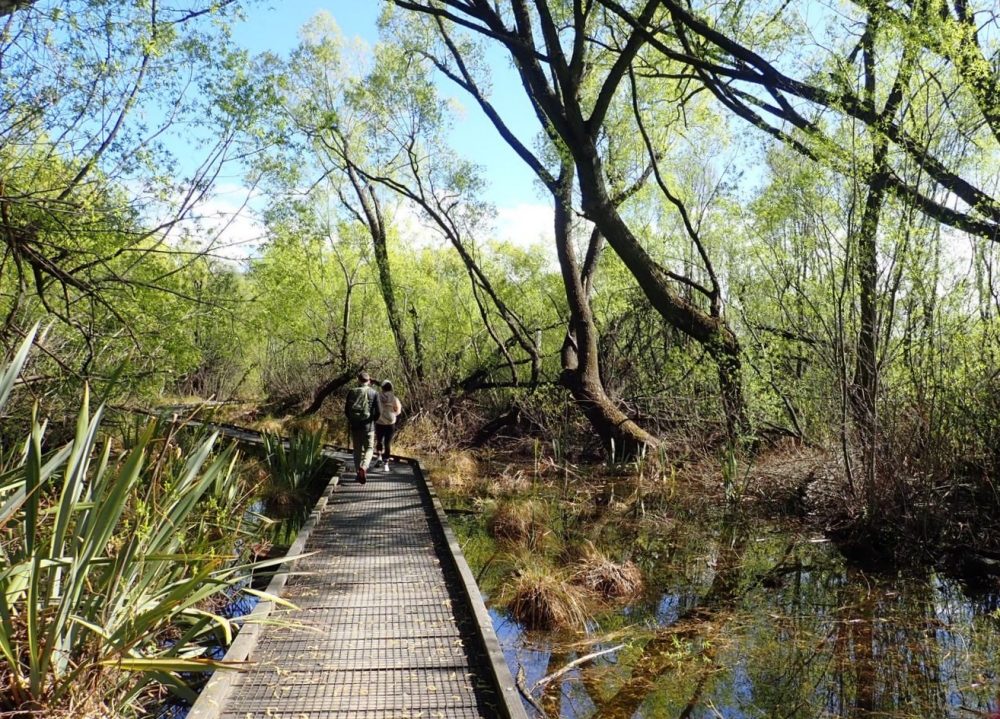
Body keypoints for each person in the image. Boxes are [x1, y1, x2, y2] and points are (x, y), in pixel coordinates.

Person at [344, 371, 380, 484]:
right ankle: (364, 467)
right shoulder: (374, 393)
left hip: (355, 426)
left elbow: (346, 410)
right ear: (369, 381)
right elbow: (378, 411)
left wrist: (352, 420)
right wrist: (373, 421)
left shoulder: (351, 392)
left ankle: (357, 474)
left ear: (359, 381)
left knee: (357, 450)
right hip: (368, 426)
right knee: (369, 448)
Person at [373, 380, 402, 472]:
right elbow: (398, 411)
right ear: (391, 388)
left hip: (379, 422)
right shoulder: (394, 398)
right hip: (390, 423)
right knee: (387, 443)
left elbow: (374, 407)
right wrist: (393, 415)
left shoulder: (378, 396)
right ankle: (386, 464)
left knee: (379, 441)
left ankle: (379, 457)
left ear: (382, 388)